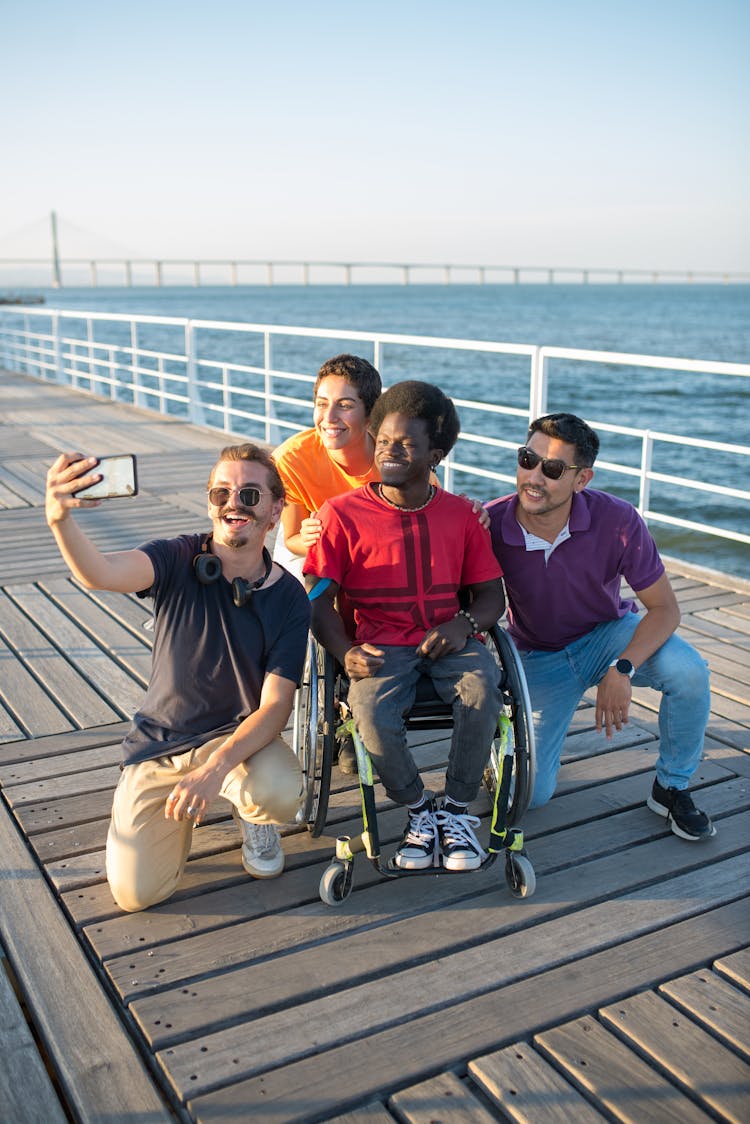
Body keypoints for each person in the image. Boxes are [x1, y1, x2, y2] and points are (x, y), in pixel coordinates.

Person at [45, 443, 310, 912]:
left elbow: (275, 706)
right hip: (159, 744)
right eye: (220, 493)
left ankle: (252, 817)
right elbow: (101, 573)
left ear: (275, 510)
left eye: (250, 495)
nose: (234, 503)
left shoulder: (290, 598)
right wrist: (60, 520)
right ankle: (174, 817)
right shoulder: (175, 558)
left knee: (279, 794)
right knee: (136, 895)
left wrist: (213, 770)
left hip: (234, 741)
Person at [305, 380, 506, 871]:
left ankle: (456, 810)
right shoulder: (342, 515)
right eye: (384, 440)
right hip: (378, 642)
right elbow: (314, 599)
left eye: (407, 443)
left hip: (448, 637)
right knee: (368, 713)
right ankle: (419, 810)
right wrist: (343, 650)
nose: (390, 451)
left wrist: (463, 624)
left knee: (483, 689)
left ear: (434, 454)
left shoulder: (460, 515)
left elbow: (492, 599)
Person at [485, 412, 715, 841]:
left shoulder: (618, 520)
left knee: (690, 672)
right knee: (530, 795)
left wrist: (622, 668)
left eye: (552, 469)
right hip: (537, 653)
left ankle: (671, 787)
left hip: (607, 635)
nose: (534, 476)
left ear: (581, 479)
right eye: (527, 459)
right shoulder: (490, 523)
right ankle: (501, 756)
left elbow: (665, 609)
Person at [272, 353, 382, 581]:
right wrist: (314, 539)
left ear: (370, 414)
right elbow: (292, 538)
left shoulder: (397, 457)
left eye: (344, 405)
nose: (329, 417)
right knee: (298, 597)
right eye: (322, 404)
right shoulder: (291, 459)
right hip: (315, 538)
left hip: (377, 545)